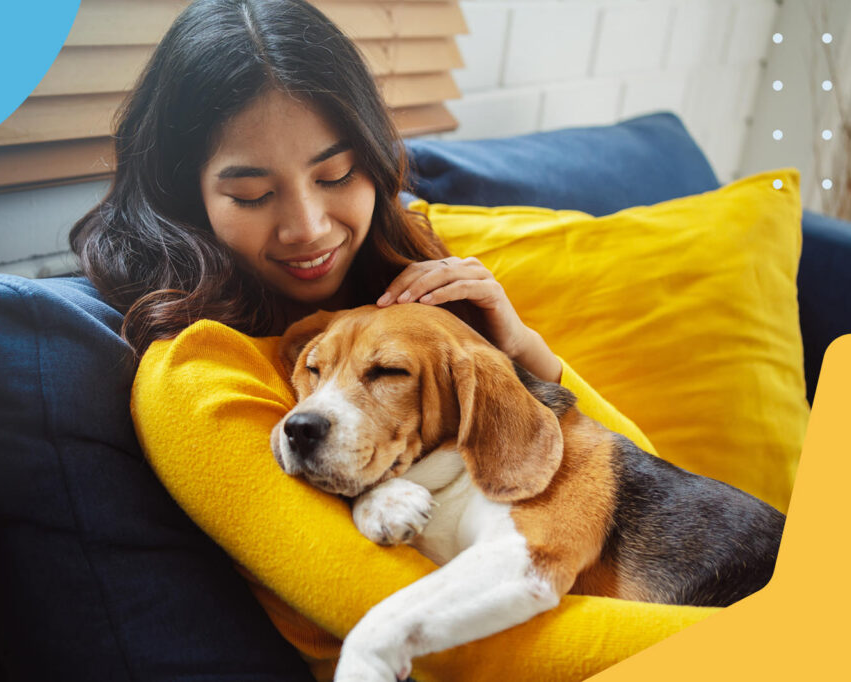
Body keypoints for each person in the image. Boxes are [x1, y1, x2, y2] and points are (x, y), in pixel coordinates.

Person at [70, 0, 688, 679]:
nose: (307, 226)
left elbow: (649, 498)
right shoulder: (196, 371)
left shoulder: (423, 304)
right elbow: (392, 611)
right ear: (187, 198)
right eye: (250, 193)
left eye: (335, 176)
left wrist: (522, 349)